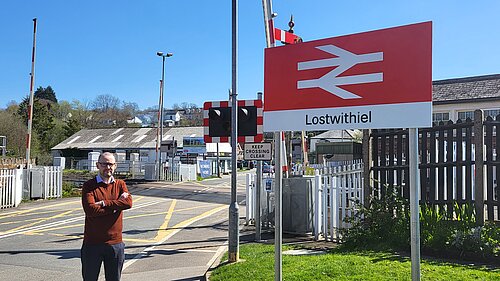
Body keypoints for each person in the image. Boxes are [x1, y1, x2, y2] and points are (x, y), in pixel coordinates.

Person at [81, 152, 133, 281]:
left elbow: (128, 203)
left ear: (115, 166)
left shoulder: (120, 184)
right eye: (104, 164)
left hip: (115, 244)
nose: (107, 167)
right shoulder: (89, 186)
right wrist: (116, 207)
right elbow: (90, 210)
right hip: (92, 244)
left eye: (110, 164)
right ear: (97, 165)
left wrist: (105, 203)